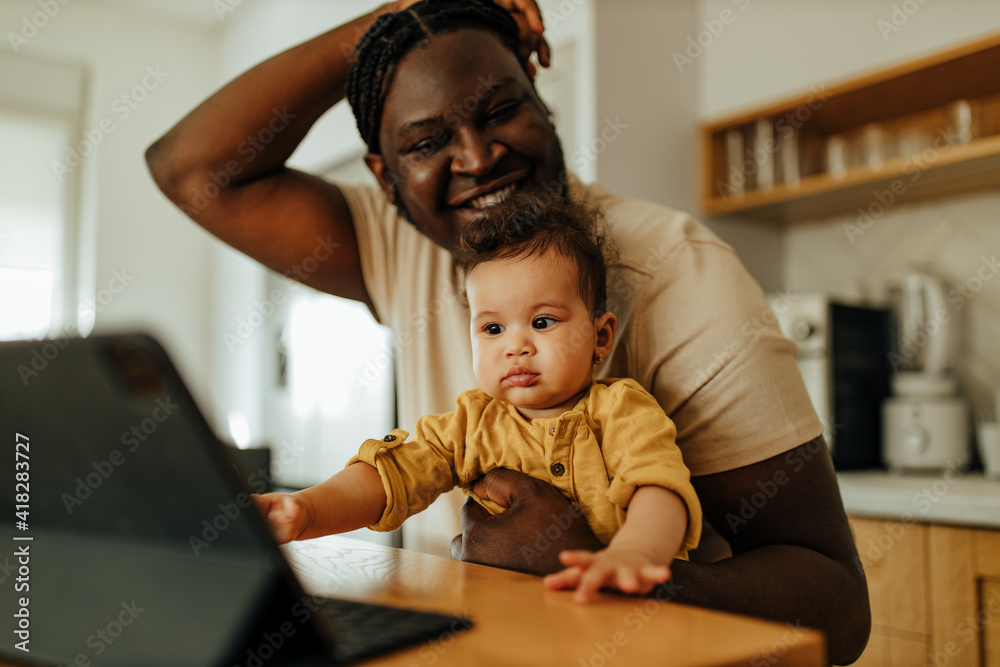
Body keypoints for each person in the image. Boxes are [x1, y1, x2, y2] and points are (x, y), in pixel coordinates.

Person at [145, 0, 870, 661]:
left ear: (538, 94)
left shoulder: (682, 276)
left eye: (500, 110)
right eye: (427, 142)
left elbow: (835, 605)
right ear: (385, 178)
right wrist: (401, 19)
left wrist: (610, 572)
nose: (478, 155)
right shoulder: (407, 250)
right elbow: (190, 168)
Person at [254, 194, 702, 602]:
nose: (515, 346)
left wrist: (635, 552)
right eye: (493, 328)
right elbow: (390, 476)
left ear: (601, 336)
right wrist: (307, 510)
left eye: (543, 322)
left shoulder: (623, 410)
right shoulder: (472, 424)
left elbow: (658, 485)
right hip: (507, 618)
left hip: (615, 617)